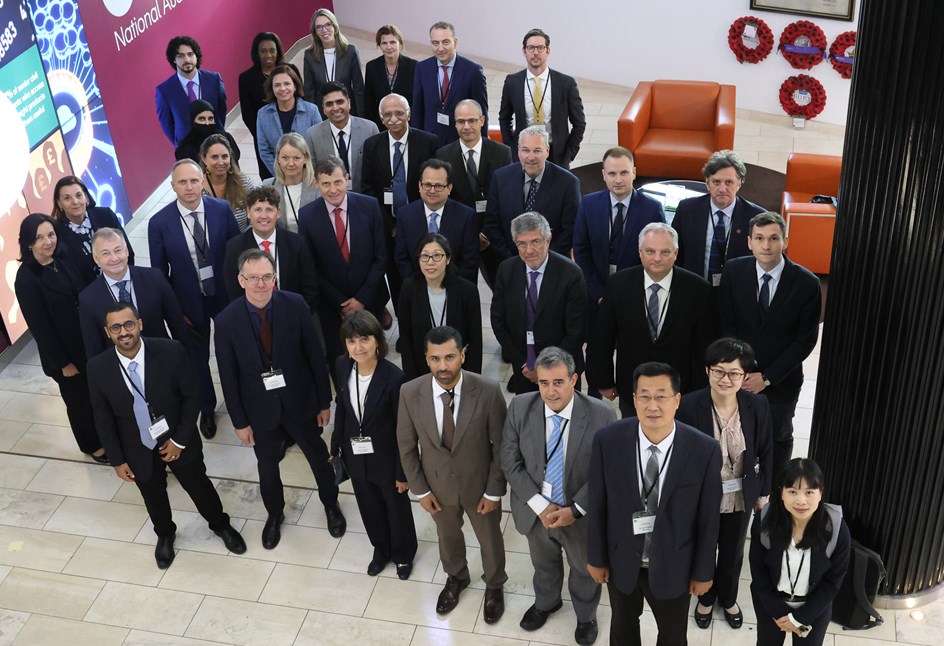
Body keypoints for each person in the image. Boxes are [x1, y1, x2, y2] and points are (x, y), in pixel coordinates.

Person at [87, 302, 247, 568]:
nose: (123, 332)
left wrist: (179, 440)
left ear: (139, 324)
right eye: (116, 327)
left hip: (178, 438)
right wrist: (117, 459)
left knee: (199, 486)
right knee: (153, 496)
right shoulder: (97, 367)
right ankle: (164, 534)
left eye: (129, 324)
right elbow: (102, 418)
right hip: (136, 446)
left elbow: (191, 397)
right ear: (107, 332)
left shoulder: (170, 351)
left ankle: (220, 524)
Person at [587, 362, 722, 646]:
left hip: (675, 564)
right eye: (645, 396)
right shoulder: (607, 441)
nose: (652, 405)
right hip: (622, 560)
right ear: (634, 400)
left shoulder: (704, 449)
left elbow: (709, 519)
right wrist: (596, 558)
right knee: (622, 630)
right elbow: (598, 504)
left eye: (661, 396)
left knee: (673, 636)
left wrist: (703, 572)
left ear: (677, 400)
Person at [215, 249, 344, 546]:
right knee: (267, 467)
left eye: (267, 277)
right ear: (241, 280)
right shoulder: (226, 321)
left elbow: (315, 356)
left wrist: (324, 402)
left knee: (318, 457)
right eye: (253, 278)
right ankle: (275, 514)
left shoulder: (295, 305)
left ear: (275, 278)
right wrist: (240, 422)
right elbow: (229, 377)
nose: (261, 284)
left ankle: (330, 503)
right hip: (260, 410)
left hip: (300, 401)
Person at [500, 347, 617, 645]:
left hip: (579, 514)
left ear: (574, 379)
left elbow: (607, 471)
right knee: (543, 563)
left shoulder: (602, 415)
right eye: (544, 383)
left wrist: (575, 510)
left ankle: (586, 615)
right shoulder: (520, 407)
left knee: (583, 568)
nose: (550, 391)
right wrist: (540, 506)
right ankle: (547, 602)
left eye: (558, 382)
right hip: (536, 510)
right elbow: (510, 462)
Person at [397, 326, 508, 624]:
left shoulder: (487, 391)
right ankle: (457, 577)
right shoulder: (409, 393)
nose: (442, 366)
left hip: (480, 485)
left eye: (449, 357)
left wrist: (493, 491)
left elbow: (502, 446)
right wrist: (421, 491)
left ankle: (495, 584)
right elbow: (406, 447)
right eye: (435, 359)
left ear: (463, 355)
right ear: (426, 359)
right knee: (447, 537)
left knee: (490, 539)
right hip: (437, 487)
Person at [677, 338, 774, 630]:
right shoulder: (689, 405)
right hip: (703, 497)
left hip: (742, 495)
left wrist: (764, 491)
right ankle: (706, 598)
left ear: (744, 376)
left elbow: (767, 449)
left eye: (734, 373)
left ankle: (728, 598)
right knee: (704, 548)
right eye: (718, 371)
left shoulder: (757, 404)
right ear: (707, 371)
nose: (725, 379)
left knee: (732, 552)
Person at [718, 211, 822, 480]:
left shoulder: (807, 283)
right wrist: (741, 371)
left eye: (774, 238)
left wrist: (767, 378)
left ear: (785, 241)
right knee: (736, 435)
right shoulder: (733, 271)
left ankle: (772, 492)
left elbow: (805, 340)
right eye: (760, 238)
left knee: (777, 438)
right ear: (749, 242)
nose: (766, 245)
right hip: (739, 377)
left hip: (781, 380)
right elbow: (726, 325)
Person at [148, 159, 241, 439]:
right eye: (182, 182)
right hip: (188, 304)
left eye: (193, 181)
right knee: (195, 361)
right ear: (172, 185)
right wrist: (174, 311)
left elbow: (238, 254)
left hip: (225, 296)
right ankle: (207, 409)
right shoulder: (159, 223)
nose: (189, 187)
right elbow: (159, 274)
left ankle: (240, 402)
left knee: (233, 352)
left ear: (203, 181)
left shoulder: (222, 210)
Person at [590, 223, 717, 416]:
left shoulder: (698, 289)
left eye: (665, 252)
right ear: (639, 251)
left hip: (680, 391)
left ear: (676, 253)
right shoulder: (618, 284)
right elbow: (603, 337)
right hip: (632, 388)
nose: (657, 258)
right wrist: (604, 381)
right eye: (650, 251)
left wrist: (699, 390)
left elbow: (704, 346)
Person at [573, 147, 664, 397]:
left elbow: (655, 257)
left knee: (632, 349)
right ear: (603, 175)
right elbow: (581, 250)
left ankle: (630, 396)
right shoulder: (588, 204)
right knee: (596, 348)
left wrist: (626, 293)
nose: (618, 179)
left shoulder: (652, 208)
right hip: (596, 293)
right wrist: (598, 292)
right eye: (612, 173)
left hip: (634, 296)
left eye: (624, 172)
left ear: (634, 172)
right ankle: (594, 399)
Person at [331, 310, 416, 578]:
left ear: (377, 340)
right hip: (356, 455)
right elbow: (342, 407)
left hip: (387, 459)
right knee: (368, 506)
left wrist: (403, 472)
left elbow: (404, 430)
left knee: (396, 509)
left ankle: (403, 554)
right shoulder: (342, 366)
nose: (358, 347)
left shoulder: (395, 379)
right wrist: (335, 446)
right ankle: (381, 550)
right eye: (352, 341)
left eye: (364, 339)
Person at [14, 213, 104, 462]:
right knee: (79, 401)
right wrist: (64, 363)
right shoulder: (26, 279)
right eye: (39, 238)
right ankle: (92, 445)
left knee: (97, 393)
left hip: (87, 340)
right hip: (64, 353)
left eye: (51, 234)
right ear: (28, 243)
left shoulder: (63, 258)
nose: (48, 242)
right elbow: (40, 328)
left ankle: (106, 433)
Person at [298, 157, 388, 370]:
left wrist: (361, 299)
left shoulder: (369, 206)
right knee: (339, 359)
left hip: (369, 298)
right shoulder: (307, 216)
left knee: (372, 355)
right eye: (326, 184)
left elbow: (381, 256)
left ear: (347, 179)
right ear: (316, 183)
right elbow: (311, 267)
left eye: (338, 182)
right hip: (332, 306)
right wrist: (342, 303)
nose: (333, 190)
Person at [750, 458, 850, 645]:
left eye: (809, 492)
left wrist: (798, 619)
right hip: (770, 604)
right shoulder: (764, 520)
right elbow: (758, 570)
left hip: (814, 608)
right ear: (781, 493)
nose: (801, 501)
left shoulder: (836, 528)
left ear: (820, 493)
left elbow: (833, 581)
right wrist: (780, 614)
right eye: (792, 492)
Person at [492, 212, 587, 394]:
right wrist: (522, 362)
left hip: (561, 369)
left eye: (535, 241)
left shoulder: (571, 274)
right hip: (523, 369)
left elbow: (576, 331)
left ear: (548, 240)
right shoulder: (506, 270)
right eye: (521, 243)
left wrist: (545, 369)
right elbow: (498, 320)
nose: (528, 250)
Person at [361, 93, 439, 308]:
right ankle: (403, 316)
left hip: (421, 222)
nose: (394, 118)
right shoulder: (372, 145)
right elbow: (368, 189)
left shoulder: (428, 142)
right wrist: (391, 225)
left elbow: (433, 184)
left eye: (399, 113)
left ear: (409, 114)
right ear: (381, 118)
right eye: (387, 114)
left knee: (424, 273)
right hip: (388, 228)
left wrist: (411, 220)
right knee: (396, 278)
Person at [484, 126, 580, 281]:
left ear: (547, 151)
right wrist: (515, 259)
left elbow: (571, 229)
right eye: (525, 150)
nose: (531, 157)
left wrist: (542, 259)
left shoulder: (568, 183)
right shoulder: (500, 178)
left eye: (537, 150)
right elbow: (492, 224)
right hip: (510, 265)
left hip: (552, 268)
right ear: (518, 151)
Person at [79, 228, 189, 359]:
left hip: (162, 358)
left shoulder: (154, 278)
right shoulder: (88, 298)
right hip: (120, 366)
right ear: (96, 258)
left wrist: (185, 358)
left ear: (126, 251)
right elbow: (93, 348)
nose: (114, 258)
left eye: (118, 250)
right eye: (106, 253)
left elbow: (177, 324)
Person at [436, 99, 513, 287]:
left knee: (502, 289)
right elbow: (444, 200)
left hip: (494, 236)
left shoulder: (502, 153)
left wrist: (486, 232)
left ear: (482, 121)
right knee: (462, 292)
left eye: (471, 120)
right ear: (455, 124)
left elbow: (506, 198)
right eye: (461, 121)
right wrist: (470, 234)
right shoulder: (443, 155)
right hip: (461, 238)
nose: (466, 126)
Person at [222, 186, 319, 315]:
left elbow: (310, 287)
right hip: (252, 318)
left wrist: (299, 316)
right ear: (248, 212)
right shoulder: (235, 247)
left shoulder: (297, 243)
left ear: (278, 212)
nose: (264, 216)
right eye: (258, 210)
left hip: (293, 315)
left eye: (269, 210)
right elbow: (233, 291)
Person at [674, 150, 766, 285]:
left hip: (738, 290)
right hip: (694, 288)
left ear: (739, 184)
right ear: (707, 183)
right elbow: (675, 253)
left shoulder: (756, 217)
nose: (722, 189)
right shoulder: (687, 210)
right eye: (716, 182)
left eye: (729, 182)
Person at [498, 28, 586, 169]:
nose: (535, 52)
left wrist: (568, 154)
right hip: (525, 155)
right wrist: (513, 149)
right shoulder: (512, 82)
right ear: (524, 51)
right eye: (531, 48)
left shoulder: (566, 83)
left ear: (548, 51)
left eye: (540, 48)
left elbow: (579, 123)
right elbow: (504, 118)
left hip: (557, 155)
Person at [397, 234, 482, 379]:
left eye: (437, 256)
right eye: (425, 256)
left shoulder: (467, 291)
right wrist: (412, 379)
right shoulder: (409, 288)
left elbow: (475, 340)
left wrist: (471, 379)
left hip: (457, 366)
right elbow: (405, 337)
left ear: (448, 259)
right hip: (422, 367)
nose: (430, 262)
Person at [394, 158, 479, 284]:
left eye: (438, 186)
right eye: (427, 185)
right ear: (419, 186)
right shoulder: (405, 215)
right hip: (416, 288)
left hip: (455, 287)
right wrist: (420, 287)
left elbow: (470, 262)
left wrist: (444, 287)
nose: (432, 191)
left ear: (449, 188)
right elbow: (401, 258)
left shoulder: (466, 216)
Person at [412, 21, 488, 147]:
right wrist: (416, 142)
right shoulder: (422, 68)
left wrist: (482, 146)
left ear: (455, 42)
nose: (440, 48)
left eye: (445, 42)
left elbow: (481, 111)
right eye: (435, 43)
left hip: (461, 141)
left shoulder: (473, 71)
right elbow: (417, 110)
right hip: (430, 142)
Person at [50, 175, 135, 277]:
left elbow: (127, 252)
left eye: (79, 195)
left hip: (120, 276)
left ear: (85, 197)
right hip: (87, 286)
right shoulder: (56, 232)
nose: (75, 202)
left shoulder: (105, 215)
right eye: (67, 198)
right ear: (59, 203)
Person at [305, 81, 379, 193]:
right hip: (330, 196)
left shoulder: (370, 129)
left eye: (339, 102)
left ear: (349, 103)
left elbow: (377, 168)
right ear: (323, 109)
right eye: (329, 104)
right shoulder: (313, 134)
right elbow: (312, 173)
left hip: (365, 196)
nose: (335, 108)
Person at [238, 31, 293, 180]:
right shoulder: (246, 78)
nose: (268, 55)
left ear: (278, 51)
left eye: (272, 50)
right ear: (257, 53)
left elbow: (300, 98)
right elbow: (247, 114)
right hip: (265, 137)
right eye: (263, 51)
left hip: (292, 132)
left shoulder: (290, 71)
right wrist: (263, 135)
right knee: (271, 180)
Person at [156, 36, 227, 147]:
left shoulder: (214, 80)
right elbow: (167, 125)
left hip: (215, 142)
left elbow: (221, 111)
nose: (187, 60)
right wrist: (180, 145)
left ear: (196, 56)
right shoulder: (165, 91)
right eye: (180, 56)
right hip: (186, 148)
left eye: (190, 54)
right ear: (173, 59)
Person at [256, 65, 323, 177]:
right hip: (279, 176)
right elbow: (264, 150)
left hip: (309, 175)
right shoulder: (263, 114)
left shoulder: (312, 110)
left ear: (295, 86)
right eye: (277, 85)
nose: (282, 88)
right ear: (272, 88)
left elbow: (319, 146)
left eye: (287, 83)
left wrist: (307, 173)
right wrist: (281, 174)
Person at [303, 9, 365, 119]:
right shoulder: (309, 56)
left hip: (347, 111)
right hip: (322, 113)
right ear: (315, 32)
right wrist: (312, 118)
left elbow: (358, 88)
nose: (324, 30)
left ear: (335, 27)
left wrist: (361, 117)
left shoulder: (350, 51)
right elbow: (309, 92)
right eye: (319, 27)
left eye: (328, 25)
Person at [262, 133, 321, 232]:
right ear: (278, 159)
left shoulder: (318, 186)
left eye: (296, 158)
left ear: (305, 158)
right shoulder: (267, 186)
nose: (291, 163)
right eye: (285, 158)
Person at [364, 25, 417, 130]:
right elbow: (368, 100)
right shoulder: (372, 67)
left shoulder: (414, 66)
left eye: (392, 42)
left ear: (400, 43)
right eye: (384, 43)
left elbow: (417, 101)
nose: (388, 47)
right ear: (379, 45)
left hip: (407, 124)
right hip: (381, 124)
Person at [199, 134, 254, 232]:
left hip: (242, 239)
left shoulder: (244, 183)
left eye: (224, 157)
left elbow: (255, 217)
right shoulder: (196, 188)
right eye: (214, 157)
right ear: (204, 158)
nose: (221, 162)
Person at [174, 99, 241, 165]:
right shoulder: (185, 149)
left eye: (210, 119)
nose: (207, 123)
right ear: (192, 121)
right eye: (202, 119)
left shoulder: (226, 138)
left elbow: (235, 162)